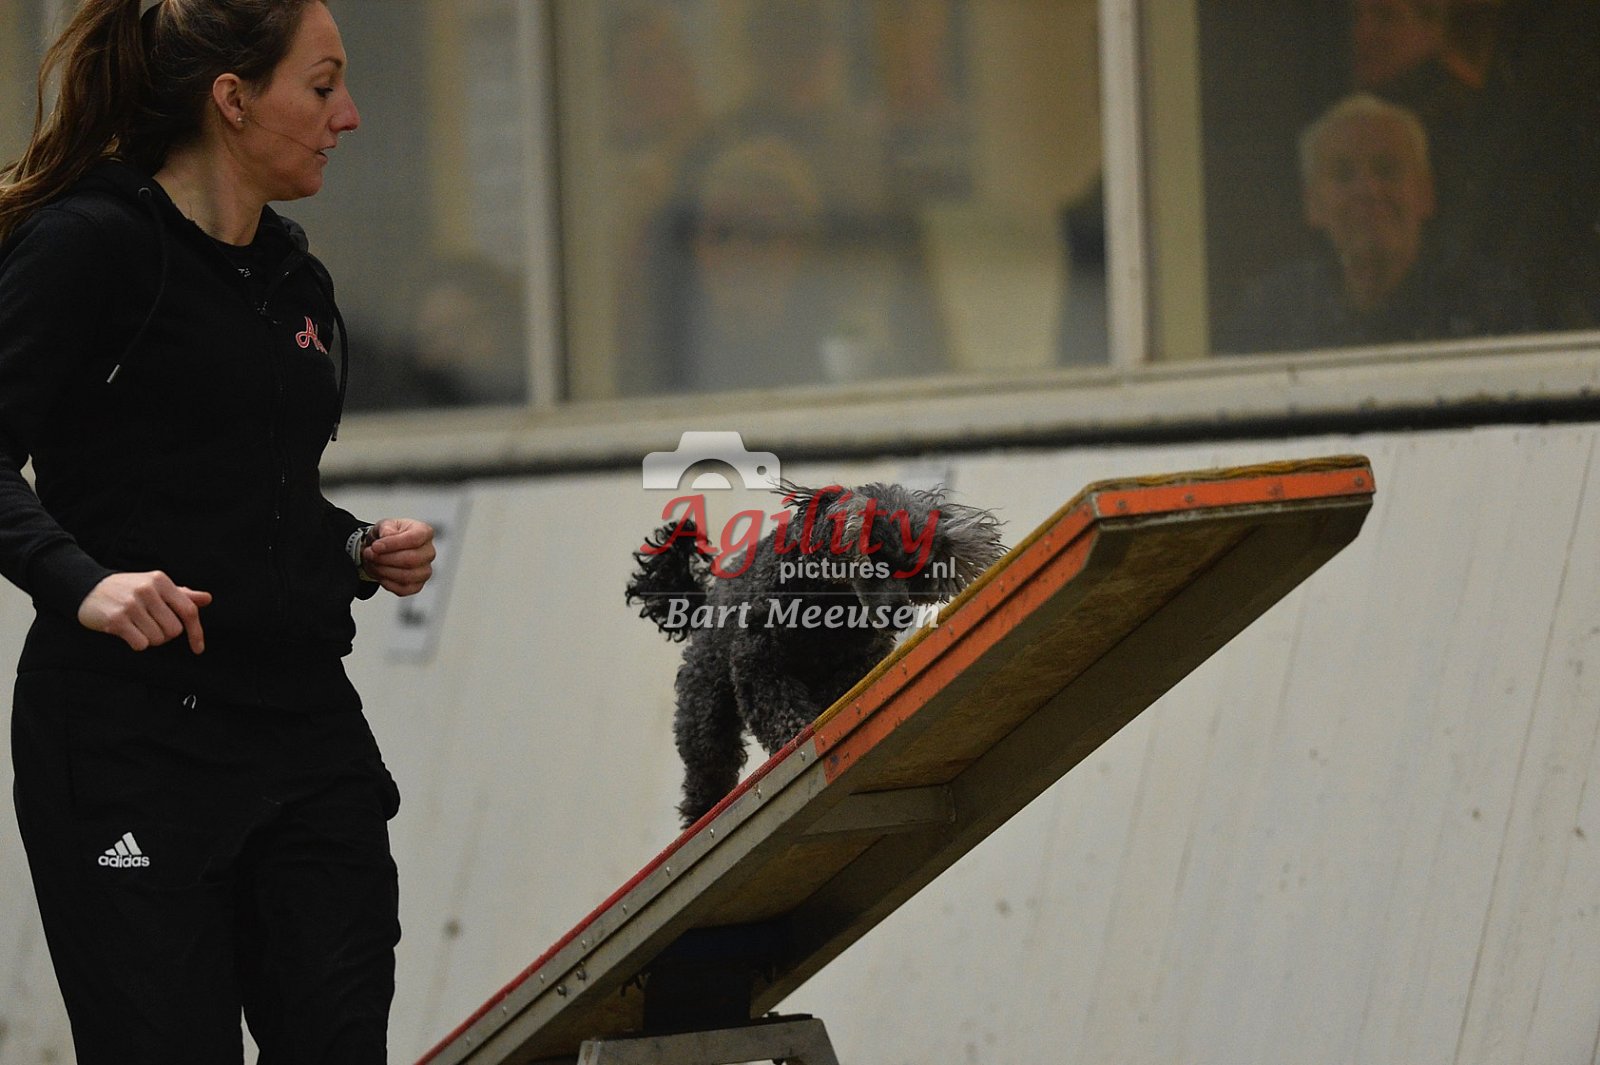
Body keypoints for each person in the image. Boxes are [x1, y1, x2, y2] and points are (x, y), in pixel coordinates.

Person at [0, 1, 435, 1061]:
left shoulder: (293, 277)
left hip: (303, 730)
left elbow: (243, 495)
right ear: (232, 99)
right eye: (322, 86)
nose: (349, 115)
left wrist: (350, 546)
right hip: (128, 741)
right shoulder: (89, 246)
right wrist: (82, 581)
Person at [1218, 92, 1532, 353]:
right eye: (1343, 174)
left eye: (1387, 170)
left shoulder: (1488, 305)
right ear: (1313, 205)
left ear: (1425, 194)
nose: (1368, 189)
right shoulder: (1273, 314)